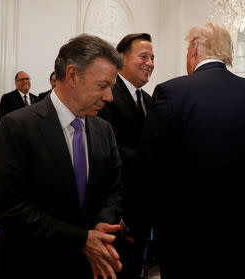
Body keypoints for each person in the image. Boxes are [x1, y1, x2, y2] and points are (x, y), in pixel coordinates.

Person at [130, 22, 245, 278]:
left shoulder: (172, 92)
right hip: (239, 227)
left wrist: (137, 219)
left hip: (185, 231)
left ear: (193, 51)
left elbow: (148, 163)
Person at [0, 34, 125, 279]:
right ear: (73, 75)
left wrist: (101, 226)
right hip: (31, 266)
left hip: (87, 267)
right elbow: (9, 211)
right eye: (102, 86)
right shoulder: (18, 126)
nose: (109, 97)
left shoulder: (104, 130)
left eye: (111, 87)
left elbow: (114, 189)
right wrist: (82, 239)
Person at [98, 33, 154, 279]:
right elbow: (110, 151)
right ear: (121, 59)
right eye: (143, 56)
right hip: (116, 213)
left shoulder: (149, 100)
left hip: (141, 211)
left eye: (153, 58)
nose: (150, 63)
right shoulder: (108, 96)